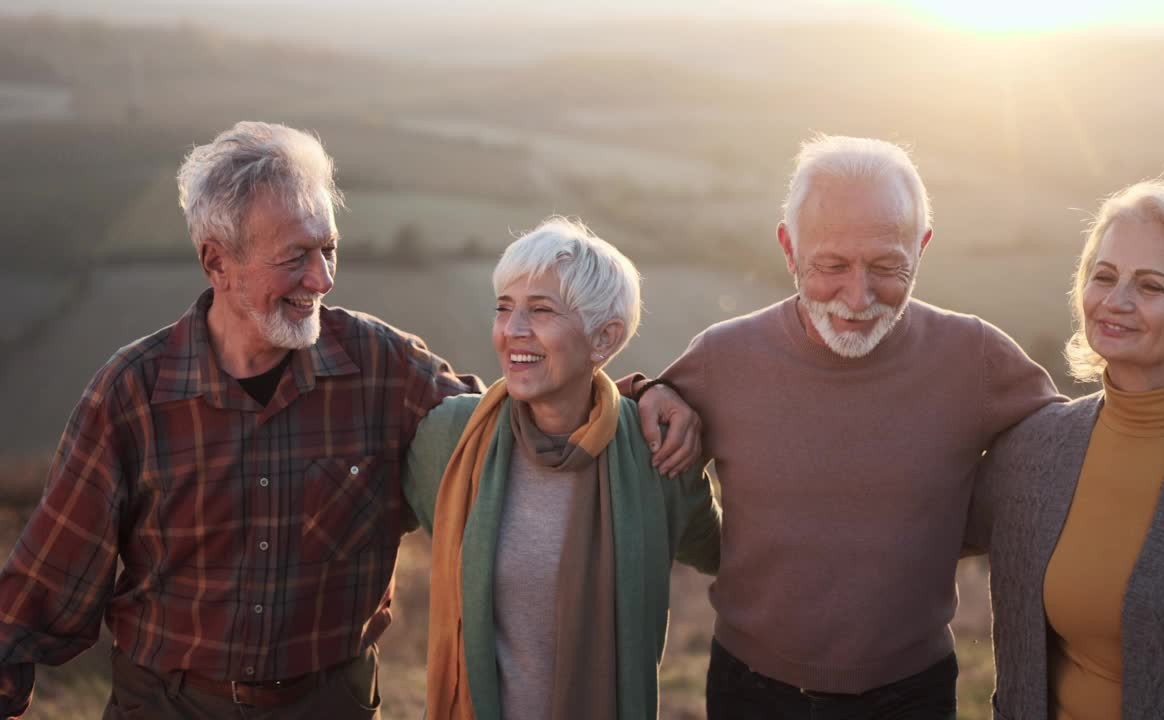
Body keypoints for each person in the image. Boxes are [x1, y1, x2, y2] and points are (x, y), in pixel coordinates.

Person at [0, 122, 695, 719]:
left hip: (328, 706)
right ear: (217, 260)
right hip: (168, 707)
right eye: (295, 258)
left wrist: (644, 395)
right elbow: (45, 582)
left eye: (328, 249)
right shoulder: (134, 394)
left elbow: (518, 419)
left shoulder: (380, 366)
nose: (323, 279)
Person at [629, 135, 1062, 719]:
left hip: (912, 694)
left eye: (887, 267)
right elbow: (634, 418)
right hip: (749, 692)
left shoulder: (977, 358)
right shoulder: (723, 356)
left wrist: (946, 530)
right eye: (831, 266)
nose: (857, 298)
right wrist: (643, 388)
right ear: (788, 248)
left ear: (922, 247)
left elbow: (1063, 452)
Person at [967, 180, 1164, 719]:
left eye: (1151, 286)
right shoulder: (1033, 447)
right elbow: (913, 526)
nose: (1116, 301)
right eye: (1103, 276)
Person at [400, 218, 720, 720]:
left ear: (604, 339)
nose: (513, 331)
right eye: (504, 309)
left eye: (541, 310)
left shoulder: (656, 450)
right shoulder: (452, 438)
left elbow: (732, 555)